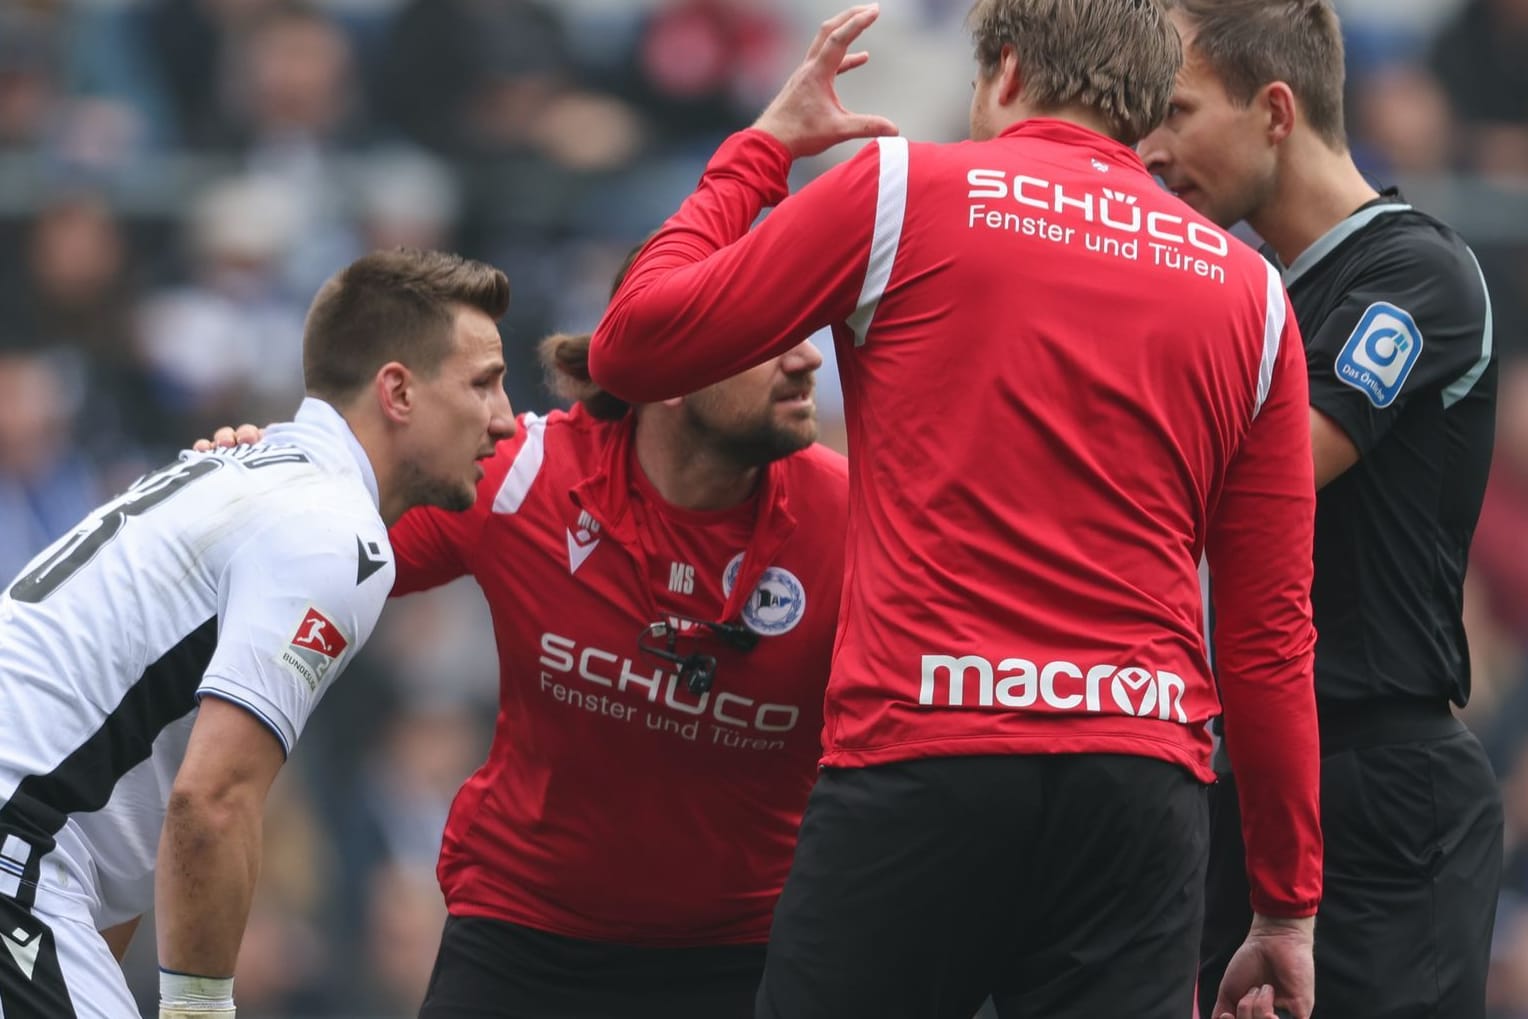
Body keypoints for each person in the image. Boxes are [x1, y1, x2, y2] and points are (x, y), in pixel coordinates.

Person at [588, 4, 1323, 1019]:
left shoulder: (900, 192)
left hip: (924, 751)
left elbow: (629, 347)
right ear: (1149, 106)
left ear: (1007, 71)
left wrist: (760, 151)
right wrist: (1285, 907)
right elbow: (1267, 636)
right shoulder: (1253, 295)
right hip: (1136, 780)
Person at [205, 253, 848, 1019]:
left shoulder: (857, 520)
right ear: (671, 369)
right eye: (769, 334)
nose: (810, 356)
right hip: (524, 936)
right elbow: (320, 550)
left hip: (744, 954)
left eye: (802, 328)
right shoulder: (525, 474)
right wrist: (255, 490)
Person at [0, 247, 515, 1019]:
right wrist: (199, 1010)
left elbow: (135, 813)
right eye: (483, 382)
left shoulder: (244, 474)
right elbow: (211, 801)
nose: (504, 417)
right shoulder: (331, 530)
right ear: (398, 390)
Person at [1136, 2, 1503, 1017]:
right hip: (1247, 776)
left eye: (1175, 110)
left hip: (1384, 788)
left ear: (1275, 109)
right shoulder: (1255, 294)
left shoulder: (1413, 272)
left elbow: (1264, 482)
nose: (1152, 150)